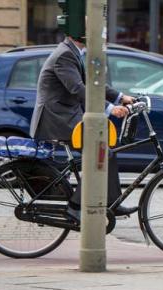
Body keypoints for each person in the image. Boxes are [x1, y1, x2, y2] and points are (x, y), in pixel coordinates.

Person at [29, 34, 137, 221]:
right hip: (57, 119)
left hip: (66, 115)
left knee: (104, 152)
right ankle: (75, 206)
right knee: (101, 153)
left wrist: (121, 96)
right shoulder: (65, 55)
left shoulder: (72, 52)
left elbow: (92, 85)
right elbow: (77, 88)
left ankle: (111, 202)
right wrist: (111, 108)